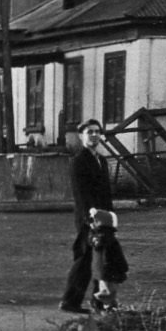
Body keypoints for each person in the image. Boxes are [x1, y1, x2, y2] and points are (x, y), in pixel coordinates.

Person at [60, 119, 119, 314]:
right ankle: (70, 302)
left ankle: (99, 301)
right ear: (81, 136)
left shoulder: (101, 161)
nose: (94, 135)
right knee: (85, 259)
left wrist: (110, 217)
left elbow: (106, 192)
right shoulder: (79, 161)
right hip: (89, 218)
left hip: (104, 217)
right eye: (89, 132)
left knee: (102, 259)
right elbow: (80, 193)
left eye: (96, 132)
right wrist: (90, 217)